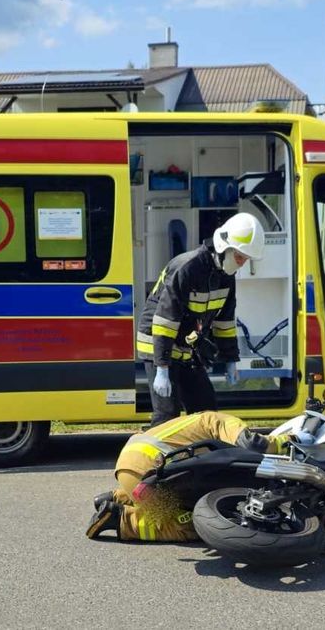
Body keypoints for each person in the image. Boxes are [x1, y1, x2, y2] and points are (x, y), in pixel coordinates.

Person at [137, 213, 266, 427]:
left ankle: (203, 458)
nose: (242, 264)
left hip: (186, 345)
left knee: (206, 410)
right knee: (168, 415)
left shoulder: (226, 274)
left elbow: (224, 320)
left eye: (245, 259)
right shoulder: (188, 267)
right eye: (241, 257)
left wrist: (230, 358)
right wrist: (162, 367)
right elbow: (165, 319)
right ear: (226, 248)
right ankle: (154, 458)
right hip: (157, 343)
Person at [86, 410, 289, 541]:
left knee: (176, 500)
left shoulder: (195, 422)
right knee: (194, 524)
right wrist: (287, 441)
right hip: (149, 468)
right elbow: (253, 443)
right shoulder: (221, 420)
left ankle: (120, 495)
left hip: (131, 467)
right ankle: (120, 518)